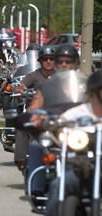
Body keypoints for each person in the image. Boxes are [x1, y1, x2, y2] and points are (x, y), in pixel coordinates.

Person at [20, 44, 81, 198]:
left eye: (69, 61)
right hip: (55, 130)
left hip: (78, 131)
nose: (64, 65)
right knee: (36, 145)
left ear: (76, 63)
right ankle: (36, 189)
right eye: (60, 61)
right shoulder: (47, 85)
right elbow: (34, 108)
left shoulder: (84, 83)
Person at [45, 70, 101, 216]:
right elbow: (60, 123)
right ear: (94, 91)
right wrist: (59, 126)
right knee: (60, 184)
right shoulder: (79, 112)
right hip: (81, 165)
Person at [13, 45, 55, 171]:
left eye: (51, 58)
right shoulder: (33, 76)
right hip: (36, 111)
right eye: (45, 59)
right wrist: (20, 89)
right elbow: (21, 85)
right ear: (40, 61)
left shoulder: (61, 75)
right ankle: (21, 158)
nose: (48, 61)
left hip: (55, 112)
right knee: (22, 125)